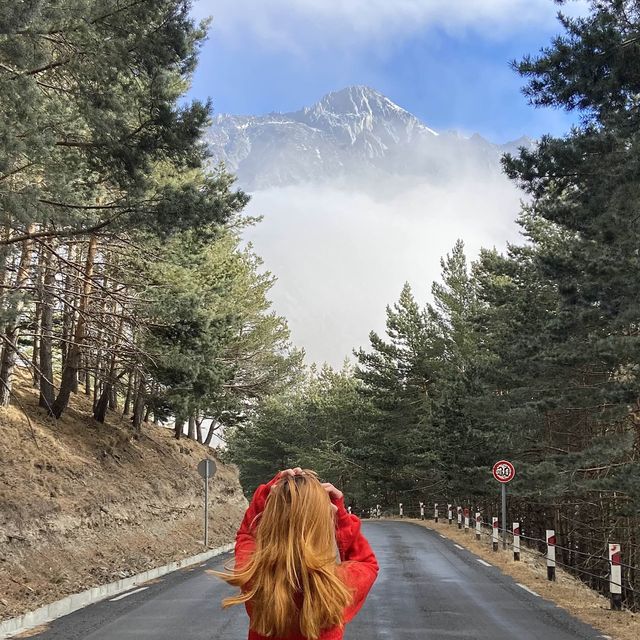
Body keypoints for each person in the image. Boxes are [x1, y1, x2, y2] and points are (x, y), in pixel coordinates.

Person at [216, 467, 379, 639]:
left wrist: (267, 495)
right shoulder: (338, 584)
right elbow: (366, 563)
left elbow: (247, 534)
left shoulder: (254, 575)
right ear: (324, 523)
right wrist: (342, 519)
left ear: (271, 519)